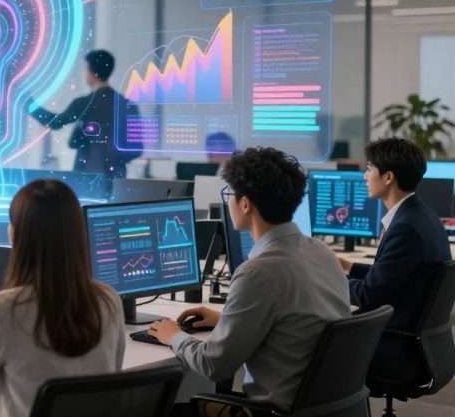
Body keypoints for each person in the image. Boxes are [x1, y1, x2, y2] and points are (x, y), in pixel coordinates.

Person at [148, 147, 350, 414]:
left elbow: (213, 365)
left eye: (229, 194)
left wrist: (174, 336)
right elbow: (294, 322)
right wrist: (225, 320)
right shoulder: (322, 252)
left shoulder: (258, 273)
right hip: (327, 408)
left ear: (245, 204)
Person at [0, 179, 125, 417]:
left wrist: (9, 390)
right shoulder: (109, 300)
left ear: (15, 235)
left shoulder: (2, 309)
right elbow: (110, 382)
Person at [339, 138, 451, 379]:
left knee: (313, 349)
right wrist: (350, 267)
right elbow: (395, 276)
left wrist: (328, 280)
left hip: (397, 348)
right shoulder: (421, 215)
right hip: (417, 342)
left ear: (388, 177)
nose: (365, 176)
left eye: (369, 169)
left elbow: (369, 296)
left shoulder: (405, 228)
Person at [28, 50, 142, 177]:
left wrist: (28, 104)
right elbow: (136, 149)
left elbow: (54, 122)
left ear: (92, 73)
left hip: (86, 176)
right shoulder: (127, 106)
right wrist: (113, 157)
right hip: (116, 176)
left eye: (86, 69)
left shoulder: (84, 104)